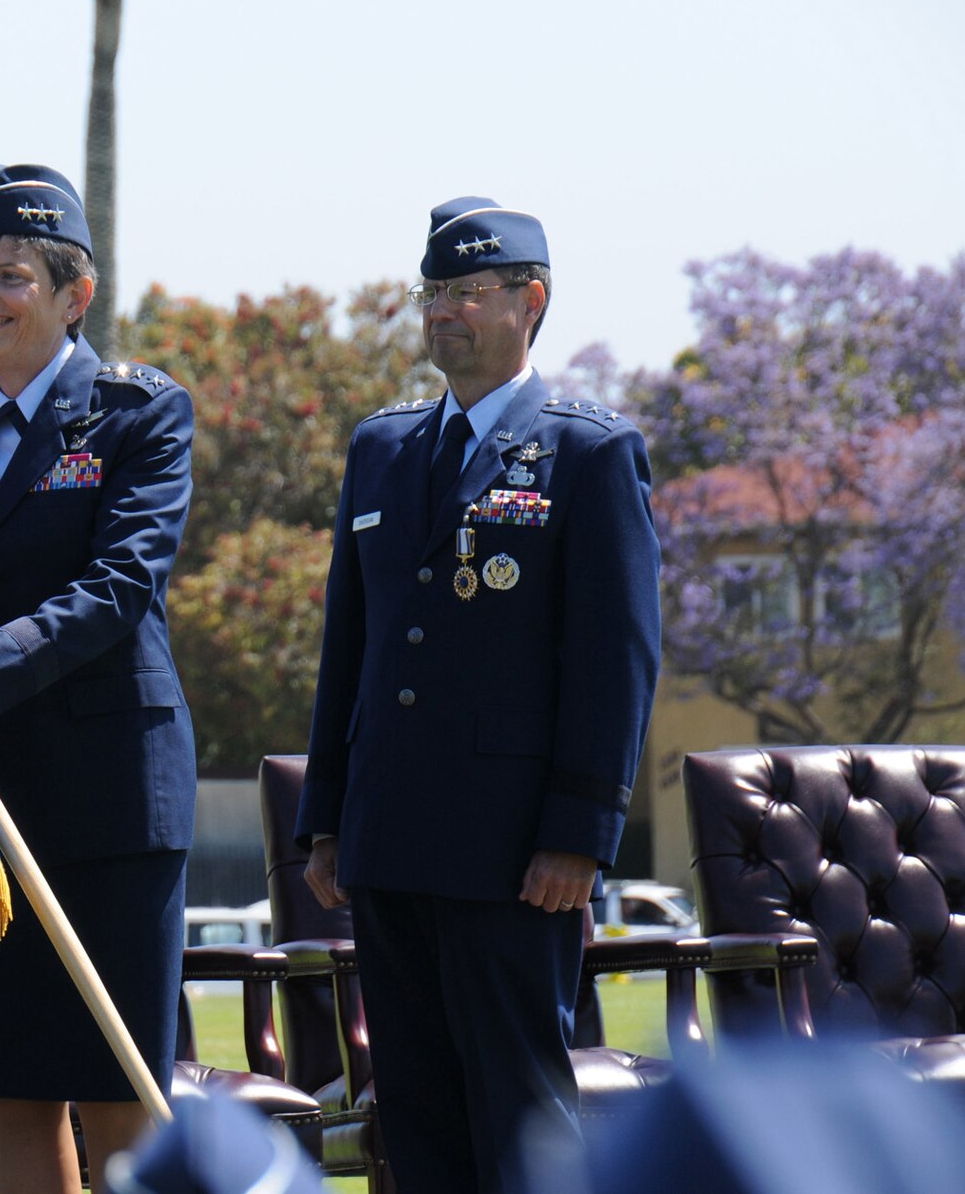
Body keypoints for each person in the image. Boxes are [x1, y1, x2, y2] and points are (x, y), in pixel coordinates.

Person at [296, 198, 661, 1193]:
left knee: (519, 1112)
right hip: (389, 841)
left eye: (466, 292)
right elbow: (352, 646)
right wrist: (326, 817)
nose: (441, 313)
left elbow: (613, 657)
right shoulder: (382, 446)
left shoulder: (587, 452)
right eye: (432, 292)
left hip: (512, 853)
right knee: (412, 1108)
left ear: (527, 300)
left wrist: (580, 832)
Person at [0, 163, 196, 1193]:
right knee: (11, 1088)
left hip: (107, 798)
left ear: (73, 296)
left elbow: (118, 588)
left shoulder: (139, 416)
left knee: (112, 1085)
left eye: (9, 276)